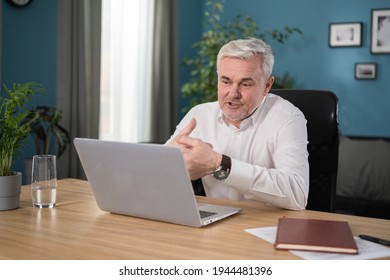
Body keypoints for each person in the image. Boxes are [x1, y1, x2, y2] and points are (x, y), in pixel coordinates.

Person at [167, 37, 309, 210]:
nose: (233, 93)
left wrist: (220, 164)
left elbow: (297, 194)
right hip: (215, 221)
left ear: (267, 85)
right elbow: (158, 173)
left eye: (246, 84)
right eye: (226, 82)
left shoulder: (287, 117)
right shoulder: (199, 115)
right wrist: (171, 164)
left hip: (270, 225)